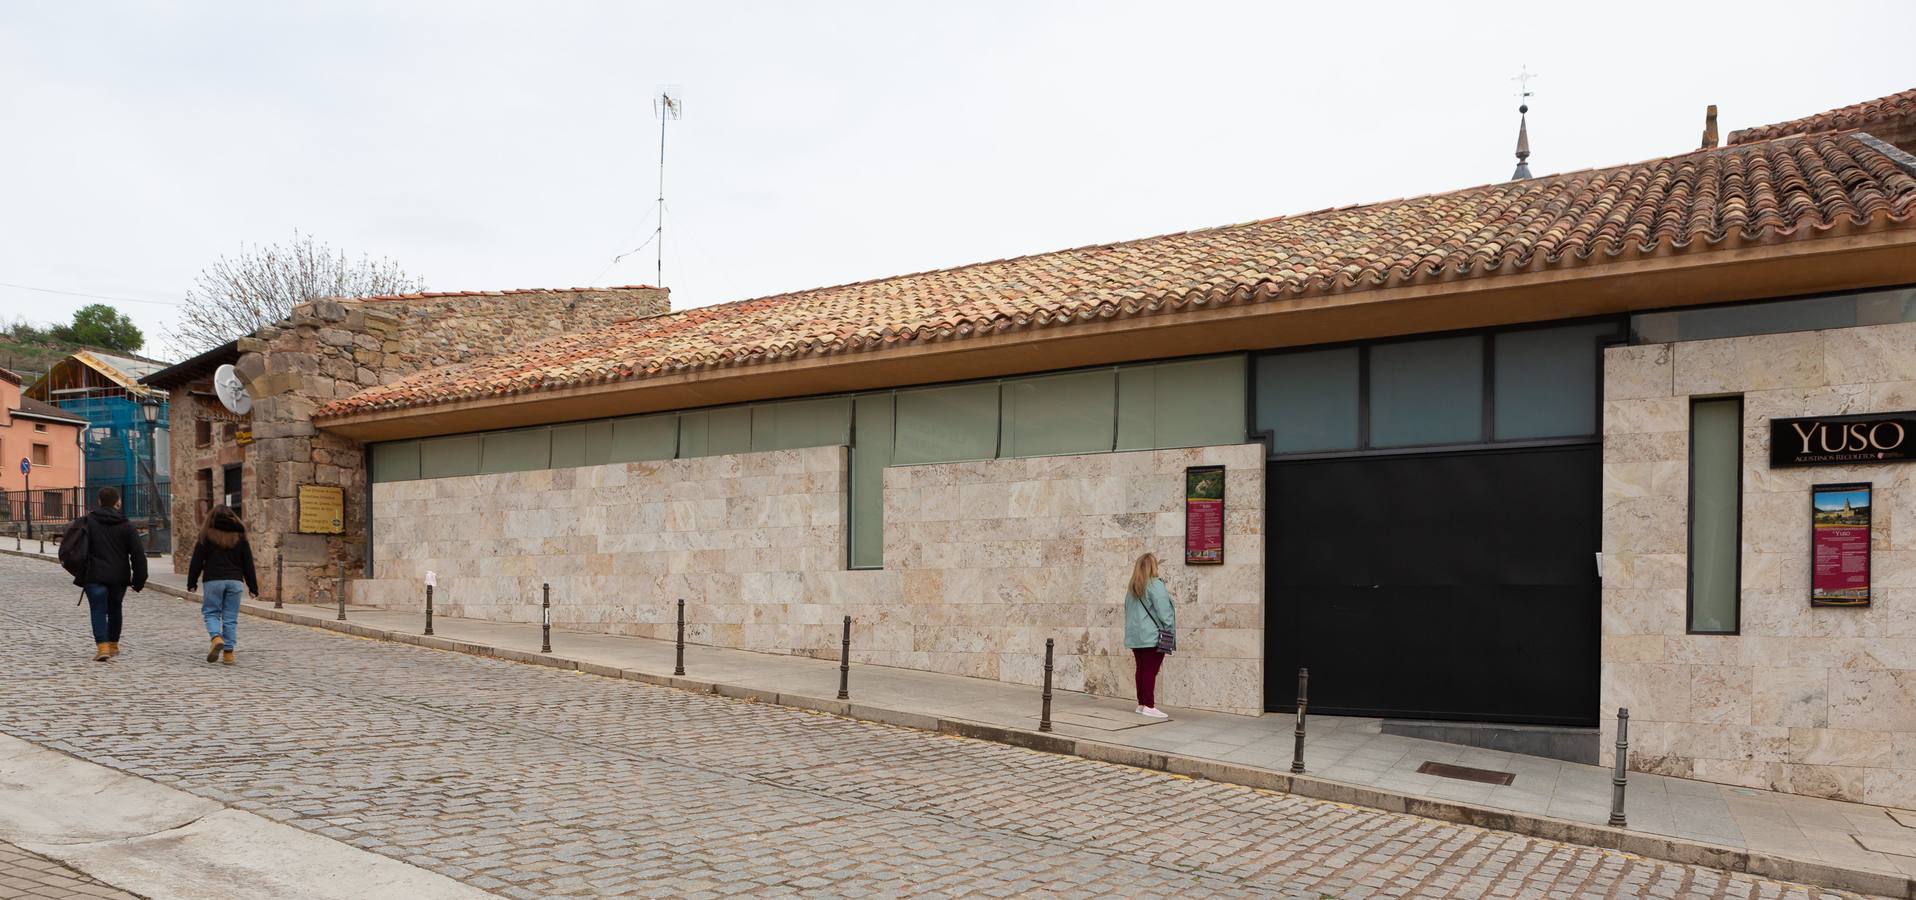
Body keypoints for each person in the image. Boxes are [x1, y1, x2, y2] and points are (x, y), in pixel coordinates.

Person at [74, 487, 147, 662]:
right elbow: (138, 554)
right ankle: (113, 644)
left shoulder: (88, 521)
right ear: (118, 502)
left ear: (99, 502)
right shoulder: (126, 524)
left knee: (98, 610)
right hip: (118, 576)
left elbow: (75, 546)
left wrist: (78, 570)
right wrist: (139, 580)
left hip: (94, 575)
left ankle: (103, 647)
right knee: (115, 609)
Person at [186, 506, 258, 666]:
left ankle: (216, 637)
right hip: (235, 581)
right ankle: (229, 654)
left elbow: (196, 560)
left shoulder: (206, 535)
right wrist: (253, 587)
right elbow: (248, 563)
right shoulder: (240, 536)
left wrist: (192, 582)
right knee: (231, 617)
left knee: (211, 612)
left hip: (213, 580)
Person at [1123, 552, 1175, 719]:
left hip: (1136, 636)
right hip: (1152, 636)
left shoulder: (1132, 588)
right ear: (1153, 566)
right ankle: (1149, 706)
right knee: (1150, 670)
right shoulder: (1155, 585)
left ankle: (1142, 704)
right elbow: (1164, 611)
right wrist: (1169, 631)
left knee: (1141, 669)